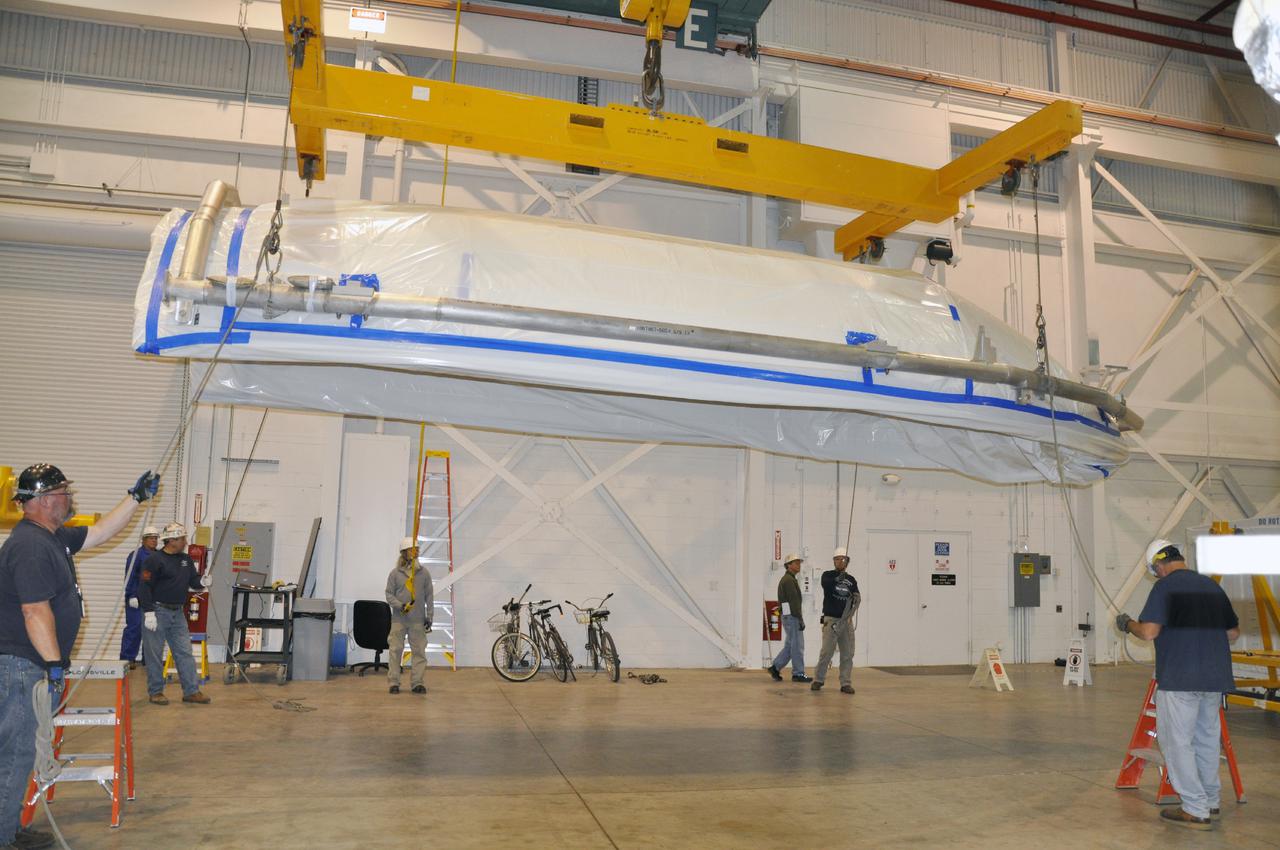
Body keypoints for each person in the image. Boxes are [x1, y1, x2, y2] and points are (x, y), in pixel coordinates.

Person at [0, 463, 158, 850]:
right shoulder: (31, 547)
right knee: (16, 752)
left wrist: (134, 499)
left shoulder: (51, 537)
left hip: (29, 665)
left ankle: (6, 827)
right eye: (64, 493)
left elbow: (102, 531)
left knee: (20, 752)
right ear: (42, 500)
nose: (70, 499)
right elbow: (34, 611)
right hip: (24, 667)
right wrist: (54, 664)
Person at [1116, 538, 1239, 831]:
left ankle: (1195, 809)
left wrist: (1127, 623)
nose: (1157, 575)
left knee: (1176, 743)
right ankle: (1210, 801)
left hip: (1181, 678)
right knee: (1207, 741)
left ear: (1159, 565)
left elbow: (1148, 632)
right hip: (1214, 677)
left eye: (1155, 571)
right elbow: (1232, 633)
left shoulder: (1165, 587)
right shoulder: (1212, 587)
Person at [137, 522, 211, 706]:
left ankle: (191, 691)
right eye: (182, 539)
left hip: (178, 613)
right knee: (154, 654)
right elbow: (144, 587)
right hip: (157, 611)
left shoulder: (185, 560)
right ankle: (156, 692)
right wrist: (148, 612)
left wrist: (202, 580)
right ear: (171, 540)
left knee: (184, 652)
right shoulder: (154, 560)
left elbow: (193, 581)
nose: (185, 542)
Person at [385, 537, 433, 695]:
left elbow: (429, 596)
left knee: (419, 652)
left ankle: (417, 683)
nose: (417, 552)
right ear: (405, 552)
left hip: (417, 620)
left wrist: (429, 616)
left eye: (417, 550)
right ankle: (393, 682)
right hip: (399, 620)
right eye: (414, 549)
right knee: (395, 651)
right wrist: (400, 605)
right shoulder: (395, 574)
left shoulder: (423, 573)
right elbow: (389, 594)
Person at [811, 546, 860, 694]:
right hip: (831, 620)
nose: (840, 561)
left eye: (843, 559)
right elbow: (826, 584)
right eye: (837, 559)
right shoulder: (828, 575)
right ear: (834, 561)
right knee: (826, 652)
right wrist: (837, 579)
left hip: (846, 622)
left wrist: (850, 614)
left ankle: (845, 683)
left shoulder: (851, 580)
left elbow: (856, 597)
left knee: (847, 653)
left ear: (847, 561)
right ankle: (818, 679)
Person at [767, 554, 810, 682]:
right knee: (797, 646)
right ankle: (798, 673)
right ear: (789, 565)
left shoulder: (788, 579)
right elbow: (794, 602)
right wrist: (800, 619)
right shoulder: (789, 580)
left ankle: (775, 667)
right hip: (792, 617)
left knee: (790, 645)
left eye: (799, 563)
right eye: (796, 563)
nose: (799, 565)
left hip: (788, 616)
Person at [119, 526, 158, 667]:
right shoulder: (135, 555)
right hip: (136, 598)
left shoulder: (159, 556)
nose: (154, 541)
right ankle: (127, 659)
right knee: (134, 628)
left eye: (155, 538)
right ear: (144, 539)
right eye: (151, 538)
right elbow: (130, 577)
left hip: (152, 599)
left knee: (151, 629)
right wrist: (131, 595)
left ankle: (148, 659)